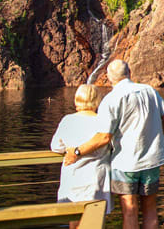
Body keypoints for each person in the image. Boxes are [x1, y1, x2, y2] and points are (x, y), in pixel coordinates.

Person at [64, 60, 164, 229]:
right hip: (152, 160)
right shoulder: (149, 90)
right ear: (129, 72)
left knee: (130, 210)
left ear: (109, 78)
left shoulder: (111, 99)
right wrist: (156, 140)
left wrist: (77, 152)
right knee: (150, 209)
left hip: (125, 163)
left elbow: (104, 137)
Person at [51, 84, 112, 229]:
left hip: (72, 177)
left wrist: (71, 150)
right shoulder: (103, 121)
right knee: (94, 221)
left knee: (74, 220)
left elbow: (55, 146)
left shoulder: (67, 120)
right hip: (96, 179)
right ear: (98, 100)